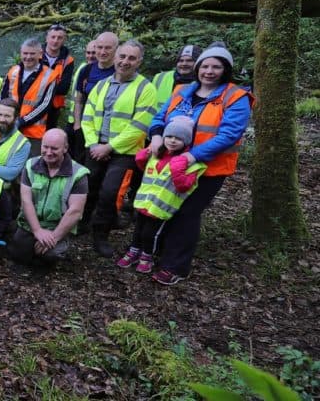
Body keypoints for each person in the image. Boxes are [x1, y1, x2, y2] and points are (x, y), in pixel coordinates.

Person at [144, 45, 252, 285]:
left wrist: (192, 157)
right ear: (197, 68)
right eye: (205, 66)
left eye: (216, 66)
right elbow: (159, 118)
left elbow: (229, 135)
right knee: (164, 206)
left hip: (208, 168)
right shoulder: (182, 91)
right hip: (172, 162)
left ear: (226, 70)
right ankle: (157, 252)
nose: (209, 71)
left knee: (187, 213)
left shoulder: (235, 97)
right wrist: (157, 136)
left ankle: (175, 266)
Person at [80, 40, 157, 258]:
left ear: (139, 61)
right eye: (122, 56)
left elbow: (140, 127)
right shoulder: (102, 85)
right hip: (95, 147)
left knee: (110, 194)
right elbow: (88, 117)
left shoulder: (146, 88)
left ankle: (100, 235)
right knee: (88, 187)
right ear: (115, 57)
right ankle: (82, 223)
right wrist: (93, 144)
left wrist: (110, 147)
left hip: (125, 152)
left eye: (131, 58)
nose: (125, 62)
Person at [116, 117, 206, 274]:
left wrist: (178, 169)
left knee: (150, 234)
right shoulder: (158, 154)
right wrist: (143, 155)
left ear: (186, 141)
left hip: (161, 209)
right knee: (138, 230)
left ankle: (147, 257)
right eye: (169, 136)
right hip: (145, 203)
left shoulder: (191, 164)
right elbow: (143, 167)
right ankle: (134, 250)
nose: (172, 141)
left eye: (178, 138)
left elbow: (184, 186)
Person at [8, 129, 89, 267]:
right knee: (18, 255)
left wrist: (54, 237)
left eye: (54, 148)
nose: (49, 152)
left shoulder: (78, 174)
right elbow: (26, 201)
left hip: (56, 227)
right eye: (45, 147)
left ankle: (54, 251)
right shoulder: (30, 166)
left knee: (50, 255)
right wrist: (37, 230)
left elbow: (75, 212)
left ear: (65, 148)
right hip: (30, 224)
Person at [2, 38, 56, 156]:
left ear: (40, 54)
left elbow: (45, 105)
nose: (28, 57)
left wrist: (21, 122)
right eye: (25, 53)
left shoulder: (50, 75)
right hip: (8, 128)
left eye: (32, 53)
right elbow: (3, 97)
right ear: (20, 53)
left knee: (29, 167)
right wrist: (2, 118)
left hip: (33, 133)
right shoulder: (13, 71)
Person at [71, 32, 119, 152]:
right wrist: (77, 125)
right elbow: (79, 100)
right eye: (100, 47)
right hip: (86, 129)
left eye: (108, 48)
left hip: (110, 133)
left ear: (116, 49)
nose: (103, 52)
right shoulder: (86, 70)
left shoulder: (120, 72)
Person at [64, 39, 97, 162]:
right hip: (73, 121)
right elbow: (77, 98)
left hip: (87, 124)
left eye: (93, 53)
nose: (90, 56)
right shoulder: (83, 68)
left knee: (80, 158)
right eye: (88, 52)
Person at [42, 24, 76, 129]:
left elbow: (63, 88)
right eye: (53, 37)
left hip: (53, 107)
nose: (55, 41)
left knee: (48, 136)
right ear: (47, 38)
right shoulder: (35, 54)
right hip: (32, 103)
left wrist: (41, 84)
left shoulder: (68, 60)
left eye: (59, 38)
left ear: (64, 40)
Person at [151, 44, 202, 108]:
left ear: (198, 63)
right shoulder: (160, 77)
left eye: (189, 60)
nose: (184, 64)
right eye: (181, 60)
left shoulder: (204, 82)